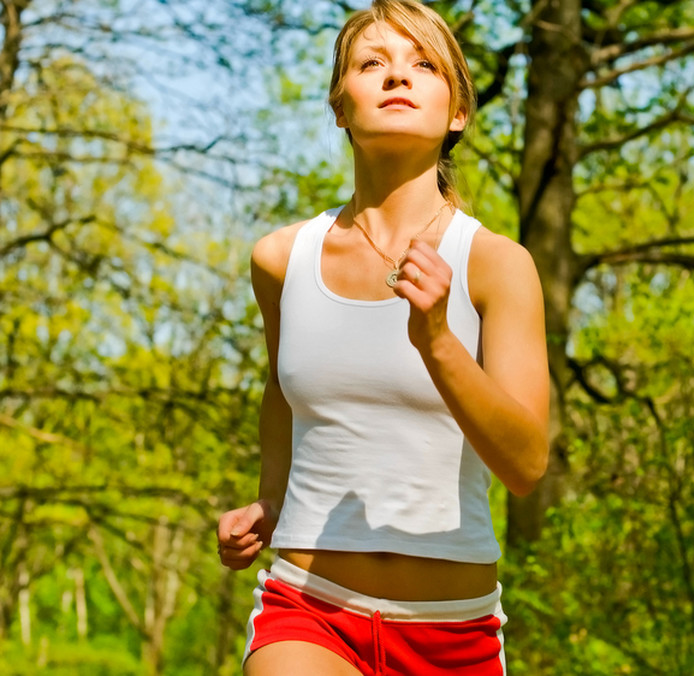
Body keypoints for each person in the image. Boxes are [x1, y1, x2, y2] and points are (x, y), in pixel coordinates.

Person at [215, 1, 549, 673]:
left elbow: (525, 464)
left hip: (451, 634)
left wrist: (438, 343)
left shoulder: (497, 265)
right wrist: (270, 499)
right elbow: (282, 395)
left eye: (423, 64)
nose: (398, 76)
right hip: (308, 608)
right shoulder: (282, 260)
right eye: (373, 63)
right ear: (340, 107)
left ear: (457, 112)